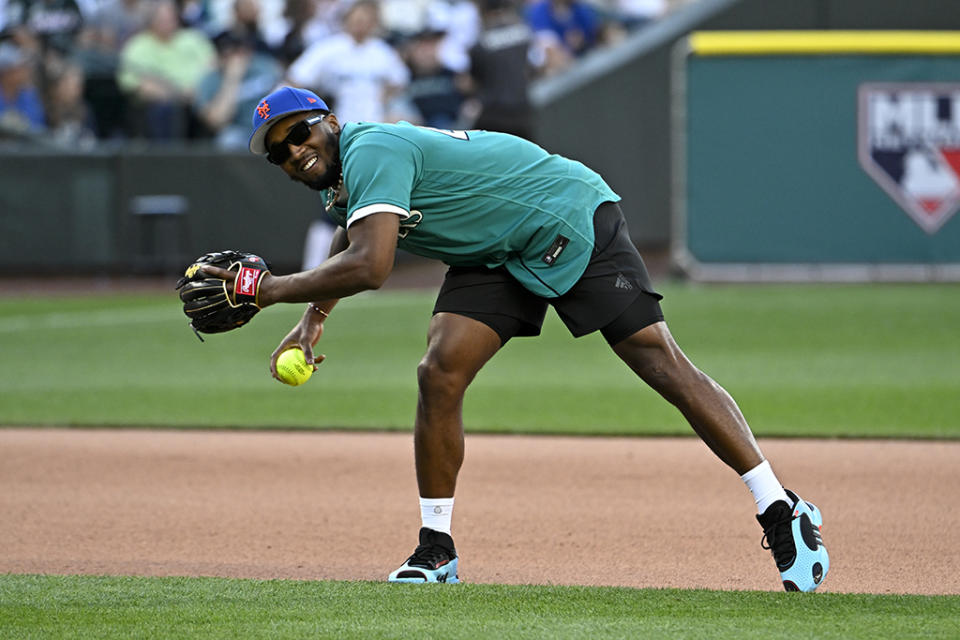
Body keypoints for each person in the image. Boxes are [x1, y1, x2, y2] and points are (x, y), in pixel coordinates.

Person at [203, 86, 830, 592]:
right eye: (277, 152)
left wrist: (265, 290)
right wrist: (315, 317)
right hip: (495, 252)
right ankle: (436, 549)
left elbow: (372, 265)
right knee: (439, 371)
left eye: (298, 133)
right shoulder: (342, 182)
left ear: (329, 122)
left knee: (657, 363)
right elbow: (352, 235)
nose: (293, 152)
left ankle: (780, 507)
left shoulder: (370, 149)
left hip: (561, 212)